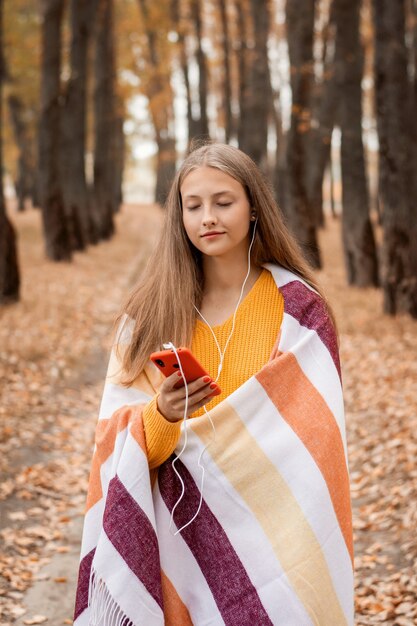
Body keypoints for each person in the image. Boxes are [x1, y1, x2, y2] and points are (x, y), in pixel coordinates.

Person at [73, 142, 354, 626]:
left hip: (278, 540)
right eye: (194, 205)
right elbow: (114, 442)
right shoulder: (148, 315)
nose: (208, 217)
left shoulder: (298, 310)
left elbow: (314, 448)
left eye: (224, 202)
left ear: (254, 208)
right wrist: (162, 416)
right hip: (173, 540)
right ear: (178, 214)